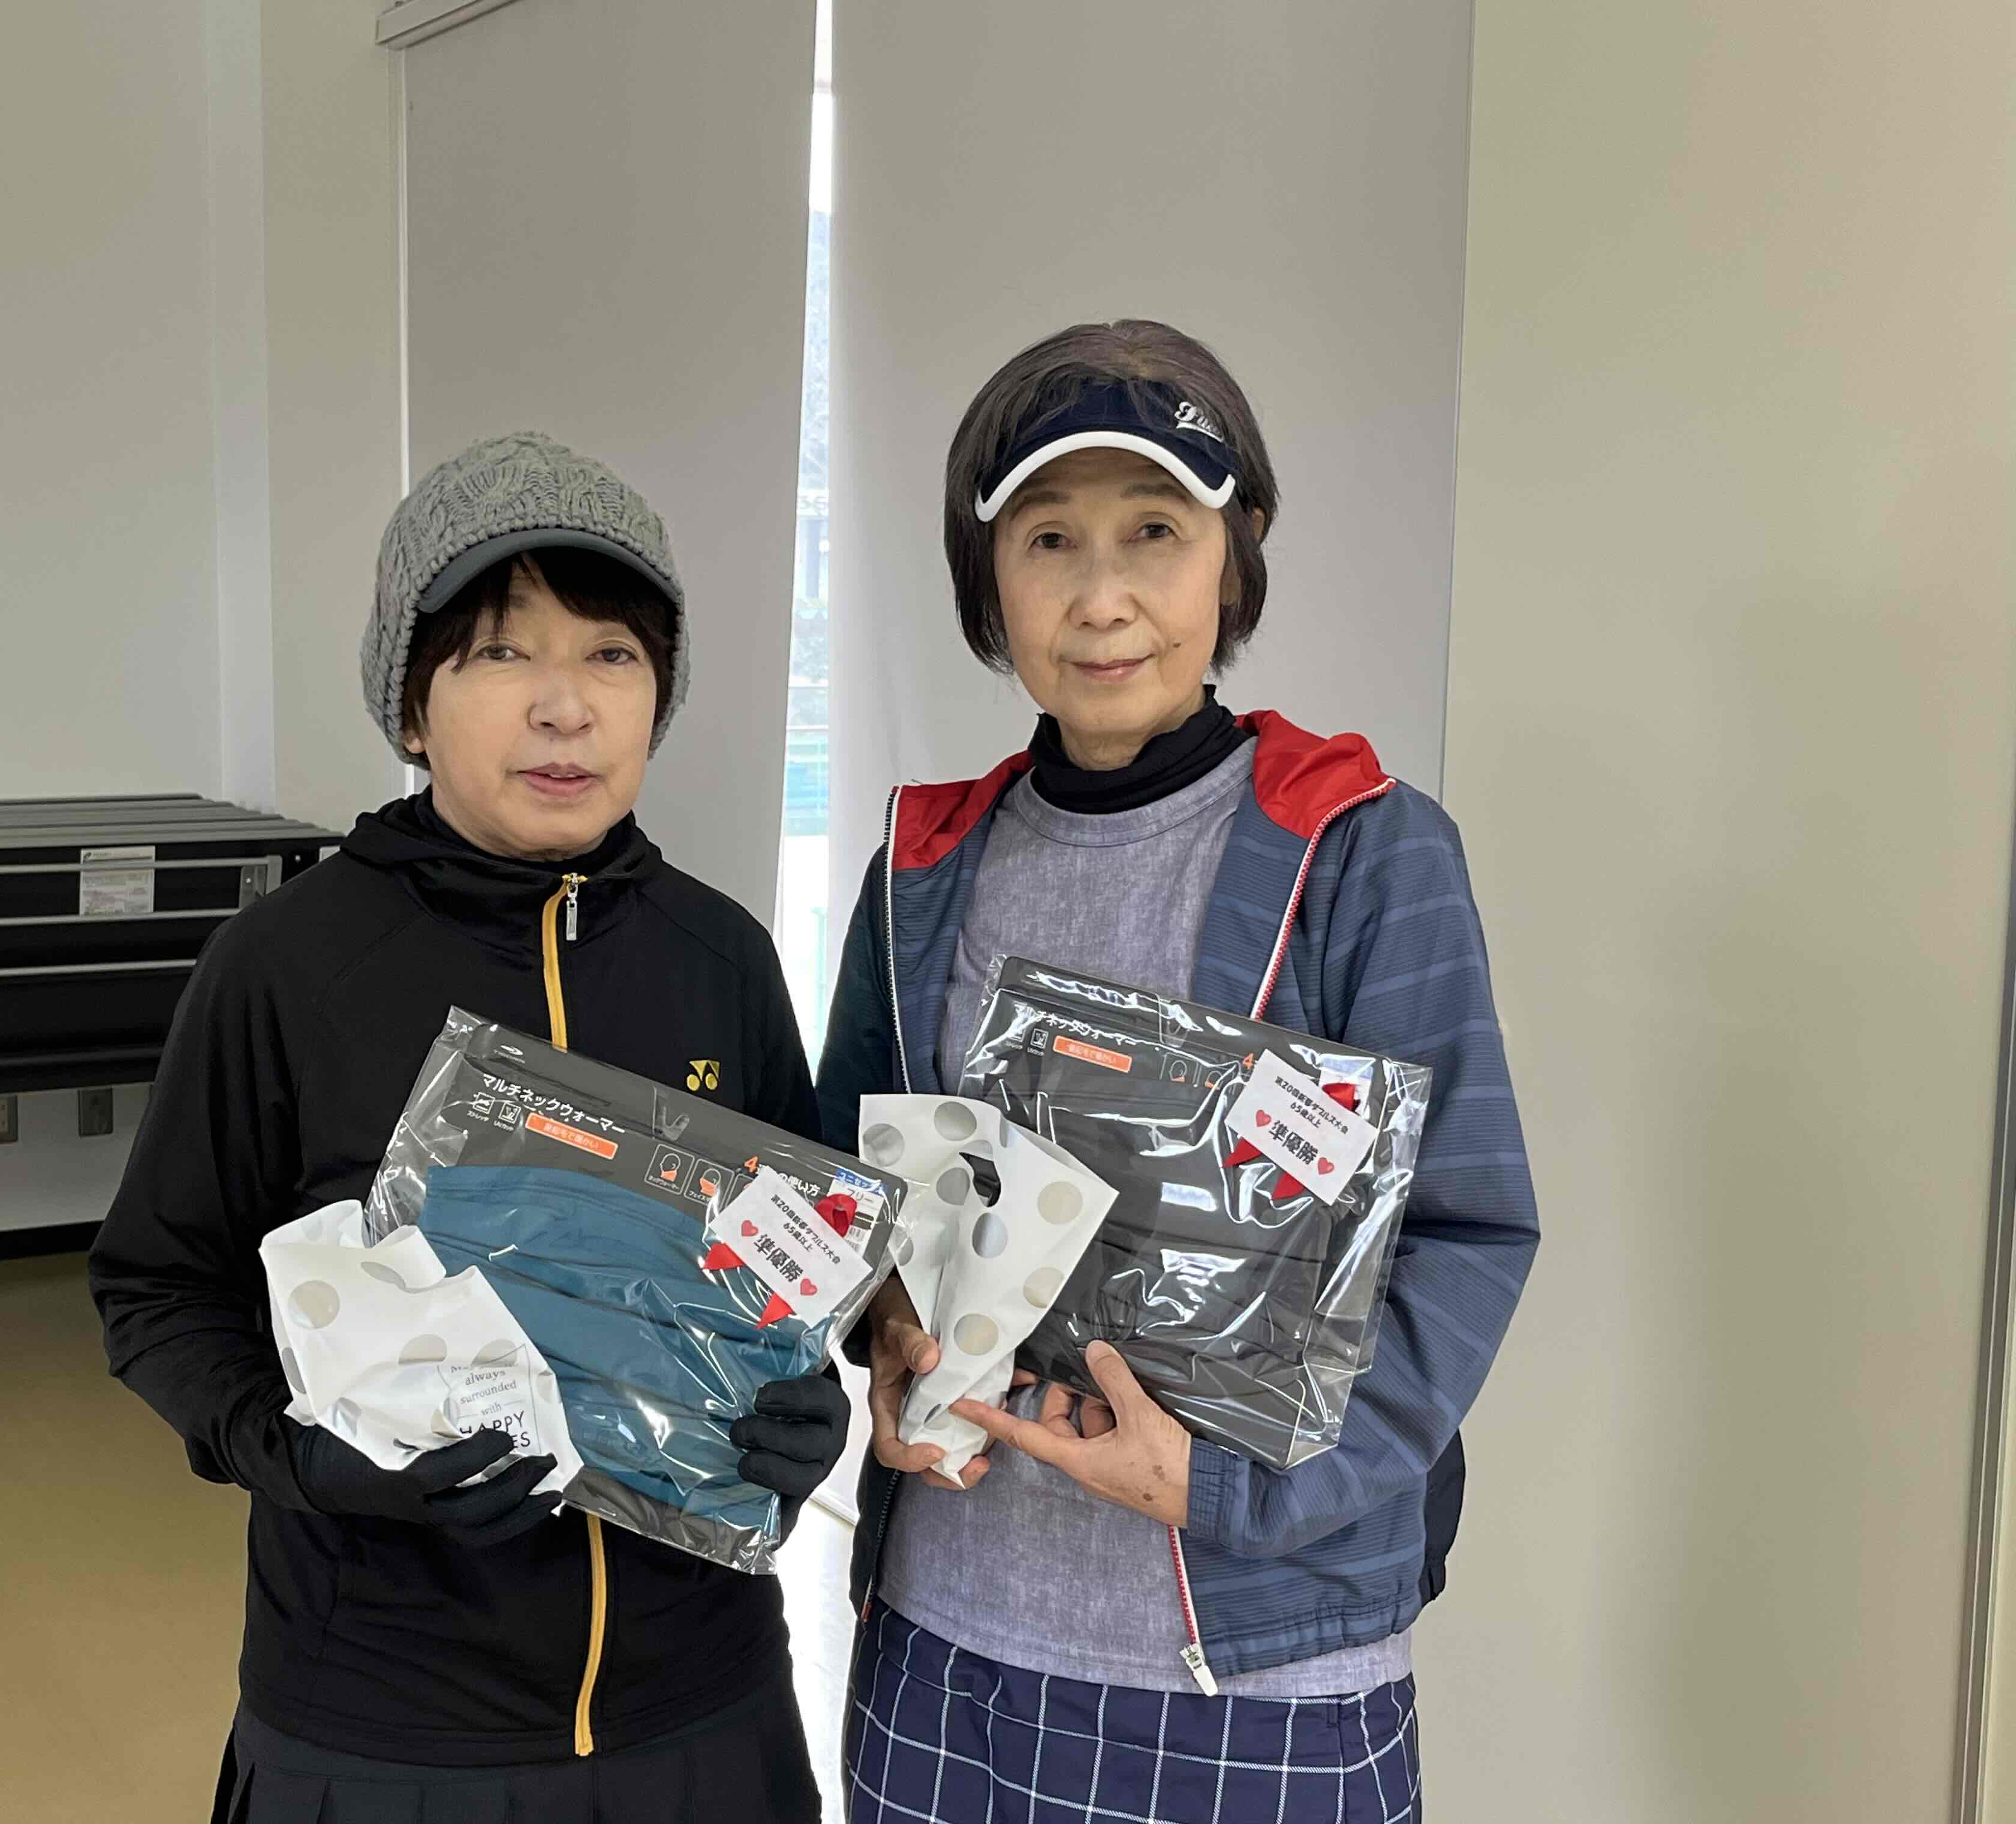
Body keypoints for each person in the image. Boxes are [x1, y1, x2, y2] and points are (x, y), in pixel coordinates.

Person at [817, 323, 1539, 1822]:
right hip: (945, 1637)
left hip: (1252, 1671)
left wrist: (1227, 1492)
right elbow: (852, 1198)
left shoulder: (1361, 850)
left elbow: (1466, 1234)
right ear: (985, 576)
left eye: (1155, 531)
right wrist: (879, 1329)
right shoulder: (925, 866)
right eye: (1048, 540)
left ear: (1236, 549)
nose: (1103, 598)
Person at [90, 431, 847, 1823]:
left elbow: (787, 1276)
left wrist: (809, 1408)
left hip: (700, 1697)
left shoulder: (723, 959)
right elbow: (157, 1290)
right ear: (412, 703)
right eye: (503, 653)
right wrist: (308, 1456)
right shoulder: (287, 966)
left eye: (612, 654)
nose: (565, 707)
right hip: (390, 1714)